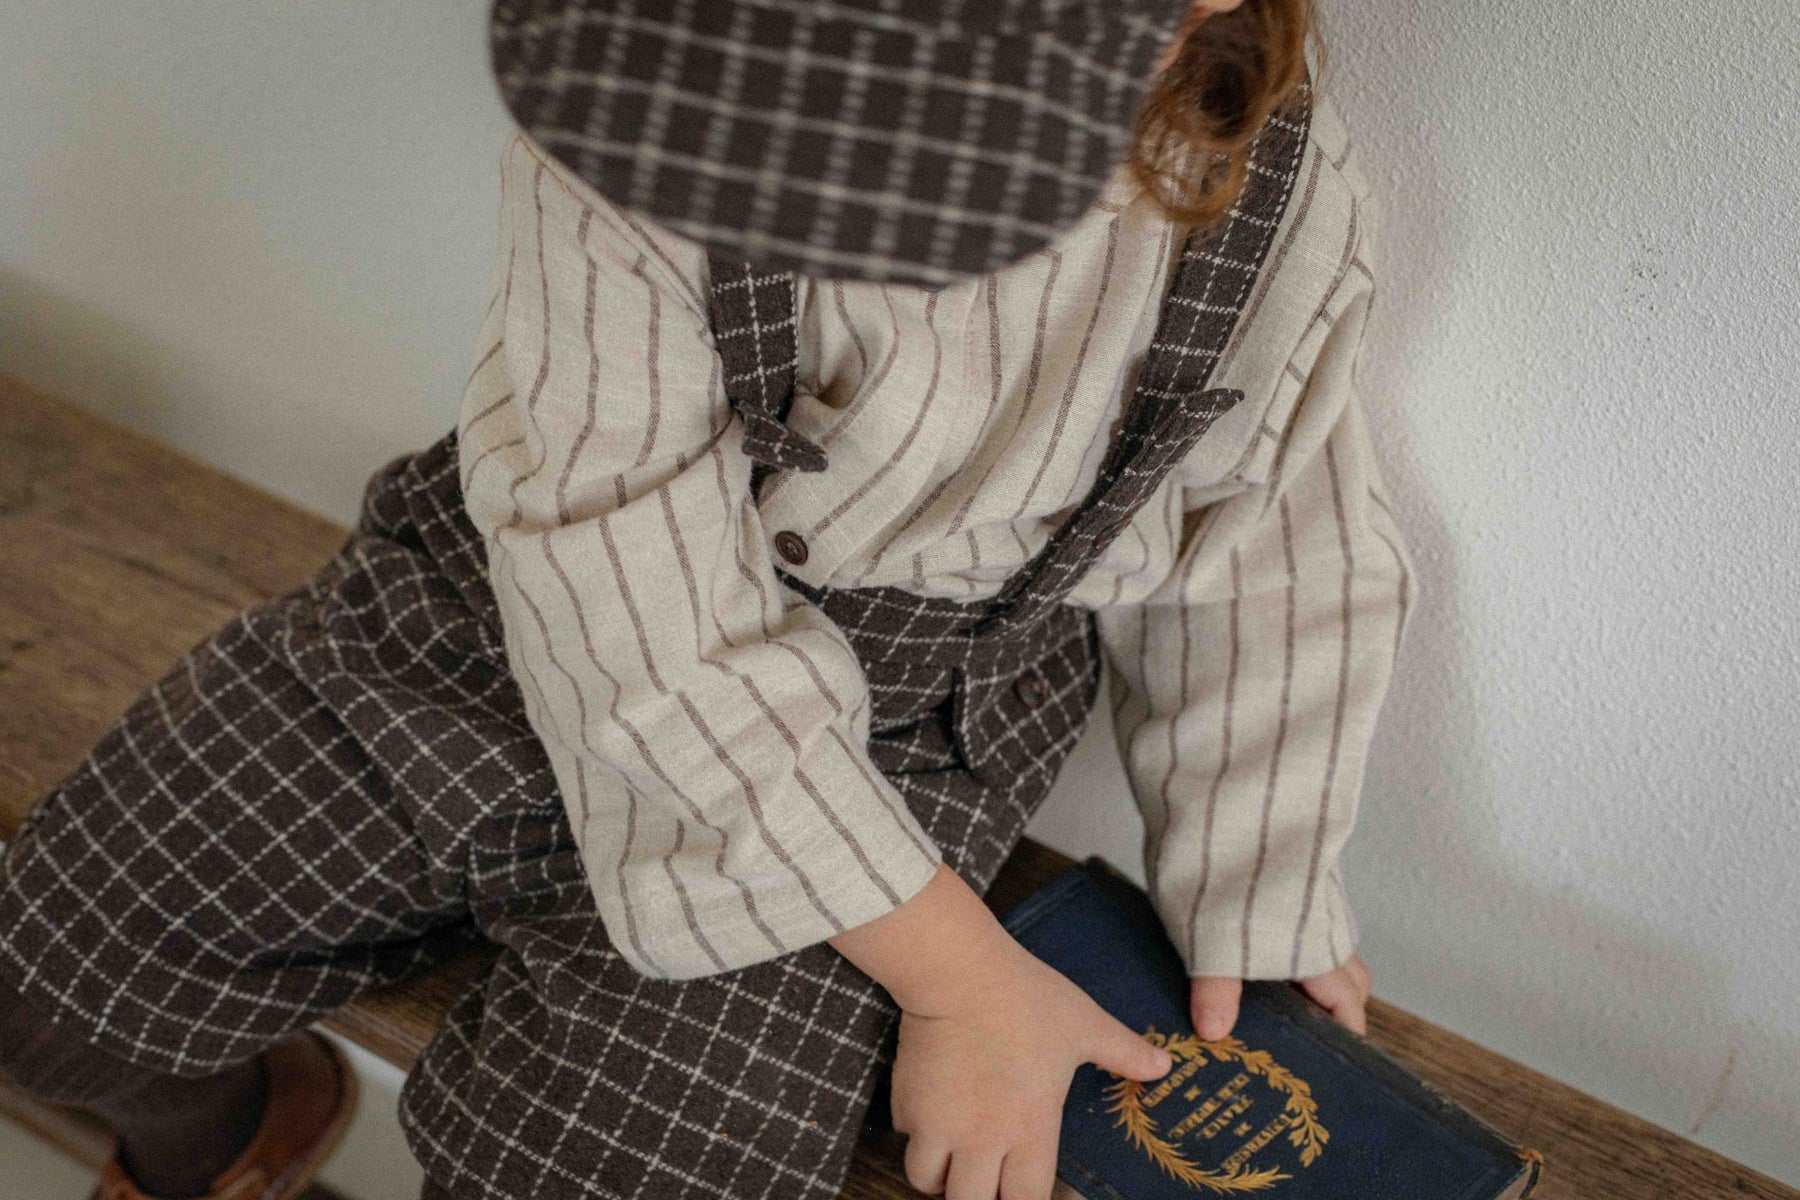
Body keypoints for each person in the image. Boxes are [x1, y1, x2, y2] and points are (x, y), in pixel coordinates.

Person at [0, 1, 1412, 1198]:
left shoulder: (1271, 204)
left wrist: (1256, 888)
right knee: (50, 984)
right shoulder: (660, 90)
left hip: (891, 740)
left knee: (613, 1170)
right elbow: (602, 539)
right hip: (507, 610)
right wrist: (964, 978)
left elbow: (1277, 550)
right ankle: (232, 1132)